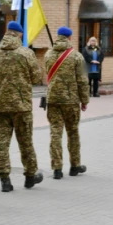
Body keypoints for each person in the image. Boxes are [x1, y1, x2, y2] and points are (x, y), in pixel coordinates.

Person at [0, 21, 44, 192]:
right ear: (19, 35)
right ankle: (30, 176)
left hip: (0, 105)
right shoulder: (26, 53)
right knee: (25, 141)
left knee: (2, 142)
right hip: (22, 106)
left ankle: (4, 179)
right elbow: (35, 78)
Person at [44, 27, 89, 180]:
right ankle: (75, 166)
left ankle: (57, 168)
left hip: (53, 99)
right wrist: (85, 100)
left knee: (55, 132)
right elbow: (82, 80)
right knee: (73, 132)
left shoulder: (48, 54)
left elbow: (47, 73)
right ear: (70, 37)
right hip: (71, 100)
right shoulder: (76, 56)